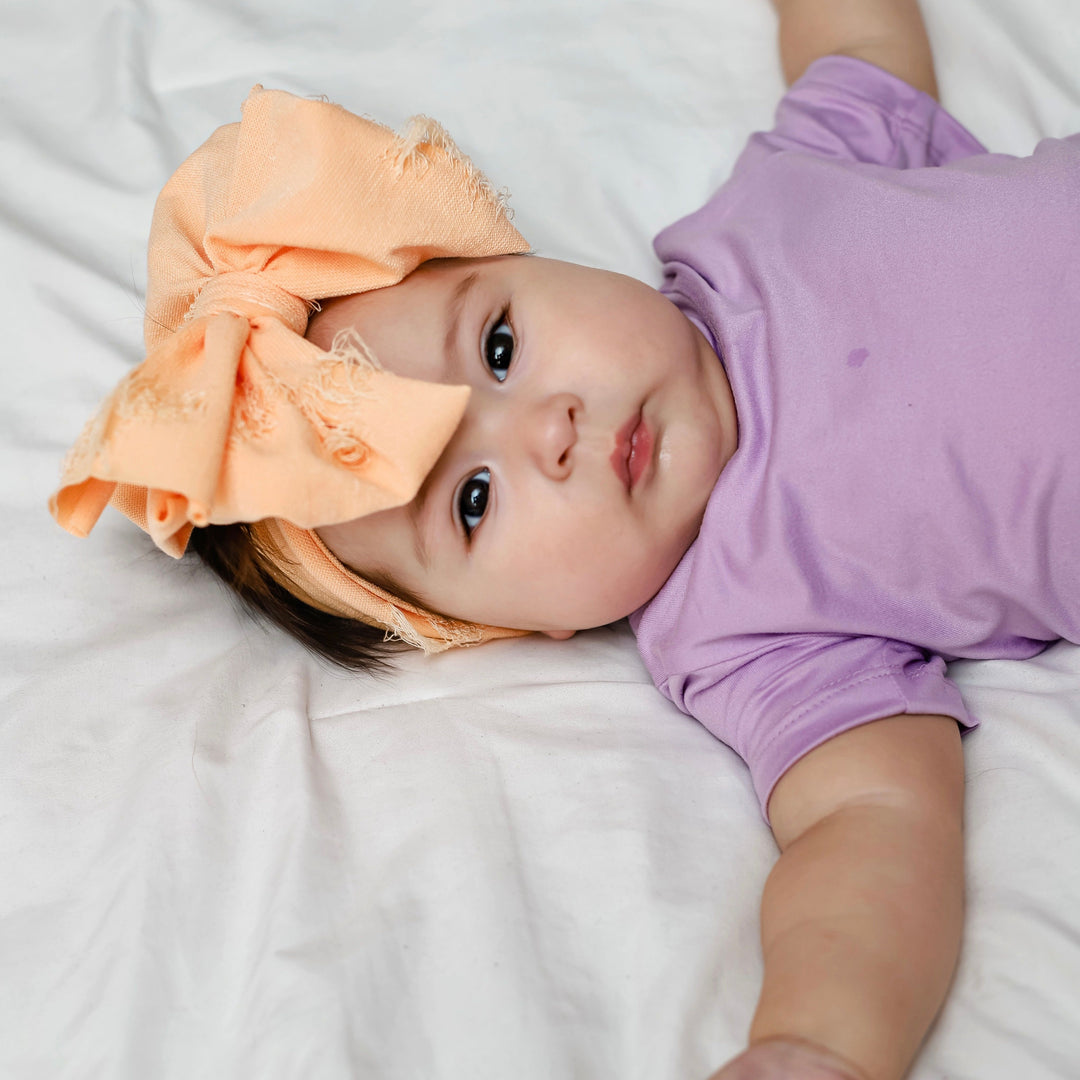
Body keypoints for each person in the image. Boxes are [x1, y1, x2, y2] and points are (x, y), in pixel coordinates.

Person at [49, 0, 1080, 1078]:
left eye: (499, 345)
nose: (548, 430)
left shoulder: (775, 203)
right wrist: (815, 1038)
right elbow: (872, 823)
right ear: (518, 628)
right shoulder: (747, 627)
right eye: (474, 502)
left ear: (535, 260)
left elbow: (862, 49)